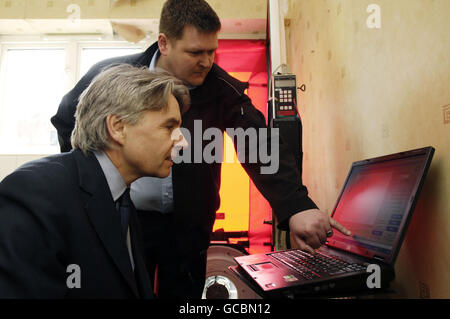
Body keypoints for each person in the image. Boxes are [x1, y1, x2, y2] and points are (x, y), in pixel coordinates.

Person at [50, 0, 351, 299]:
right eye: (195, 52)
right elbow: (67, 120)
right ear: (164, 43)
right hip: (125, 219)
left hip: (188, 229)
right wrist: (91, 186)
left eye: (211, 51)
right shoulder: (111, 78)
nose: (206, 62)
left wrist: (296, 205)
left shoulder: (221, 89)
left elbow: (258, 144)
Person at [0, 64, 190, 298]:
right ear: (118, 128)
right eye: (169, 127)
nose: (182, 142)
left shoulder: (122, 202)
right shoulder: (35, 192)